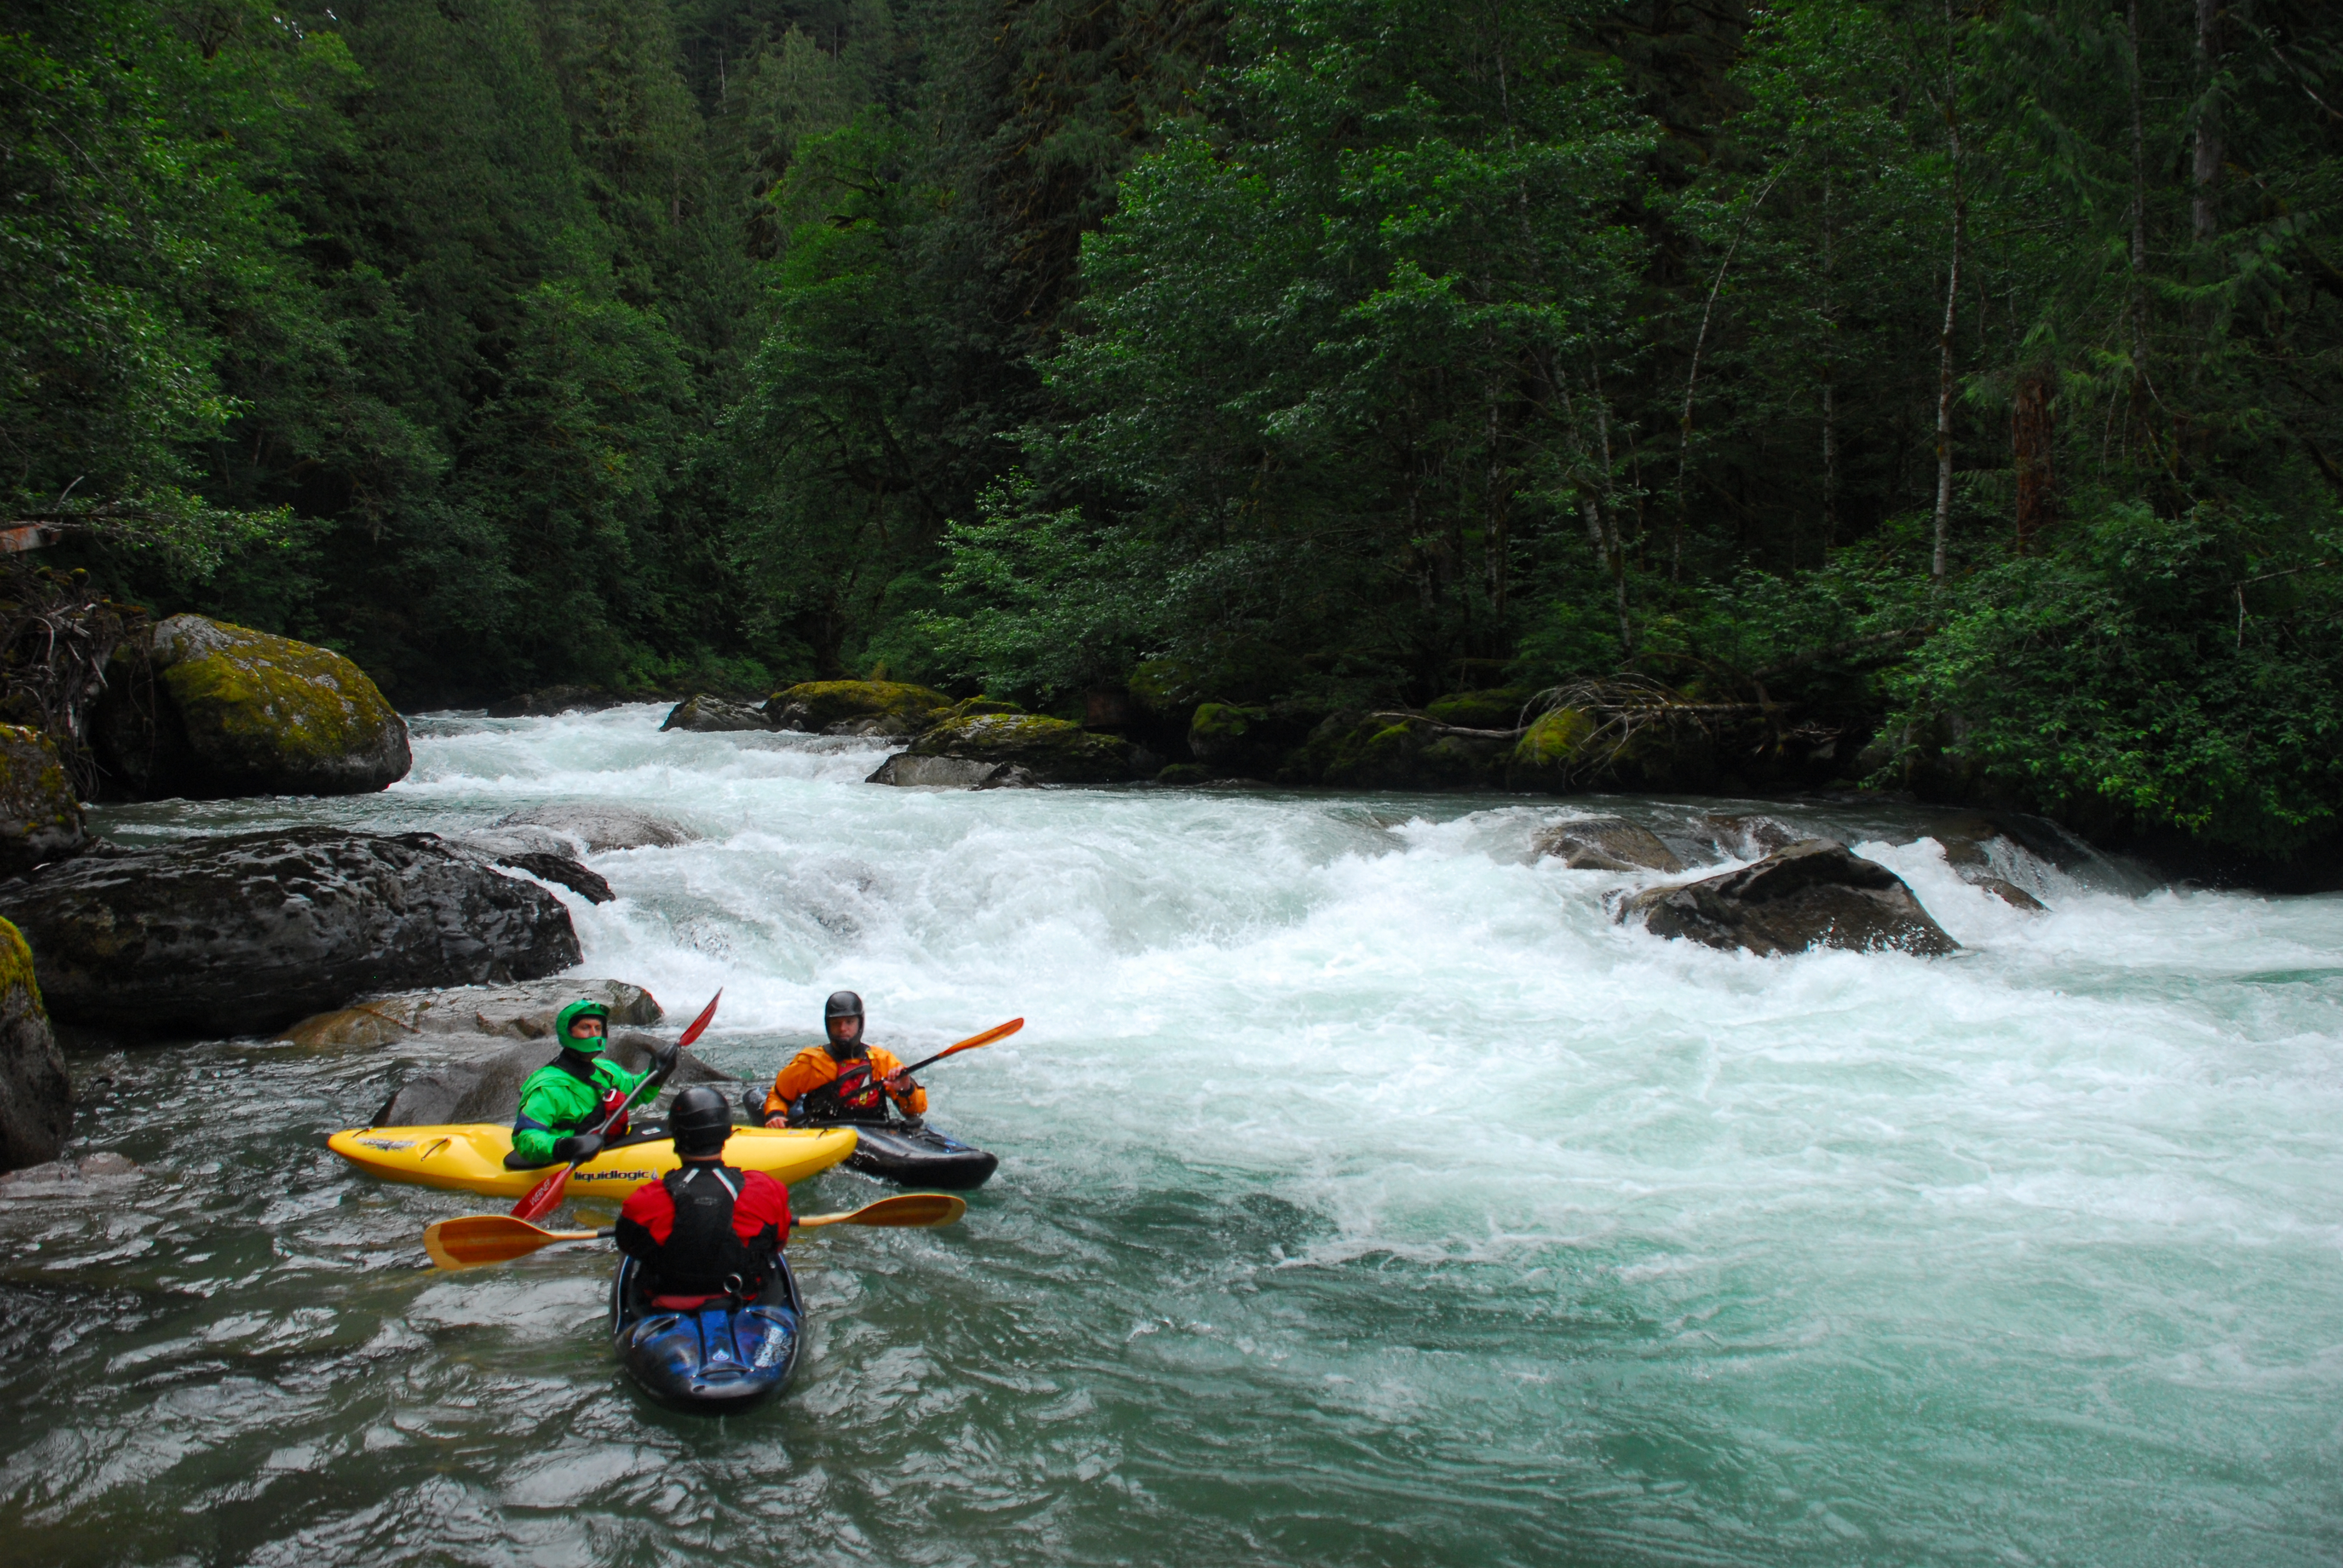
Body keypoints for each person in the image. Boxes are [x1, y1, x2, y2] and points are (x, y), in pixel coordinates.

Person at [613, 1085, 792, 1304]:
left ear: (675, 1136)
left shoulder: (643, 1201)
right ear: (726, 1134)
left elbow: (628, 1245)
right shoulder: (767, 1190)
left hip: (666, 1309)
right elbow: (778, 1242)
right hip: (745, 1302)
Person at [505, 999, 678, 1170]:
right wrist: (565, 1146)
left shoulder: (606, 1070)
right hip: (563, 1160)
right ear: (568, 1032)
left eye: (598, 1028)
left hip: (603, 1148)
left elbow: (635, 1093)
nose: (594, 1034)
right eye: (585, 1027)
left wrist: (657, 1074)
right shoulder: (548, 1086)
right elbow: (525, 1138)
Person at [762, 990, 926, 1128]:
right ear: (828, 1026)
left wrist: (906, 1090)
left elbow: (915, 1112)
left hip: (875, 1132)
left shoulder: (882, 1061)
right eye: (836, 1023)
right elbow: (778, 1096)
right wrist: (775, 1115)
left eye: (849, 1022)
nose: (843, 1029)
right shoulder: (813, 1063)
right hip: (824, 1133)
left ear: (860, 1023)